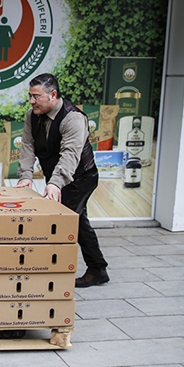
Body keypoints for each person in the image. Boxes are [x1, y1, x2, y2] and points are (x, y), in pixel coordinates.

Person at [15, 73, 109, 288]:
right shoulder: (32, 115)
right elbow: (28, 145)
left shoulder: (73, 118)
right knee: (77, 222)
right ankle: (98, 269)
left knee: (57, 223)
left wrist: (56, 182)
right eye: (30, 96)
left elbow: (70, 154)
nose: (32, 101)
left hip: (80, 177)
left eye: (36, 96)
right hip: (56, 177)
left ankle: (45, 275)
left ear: (53, 95)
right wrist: (26, 177)